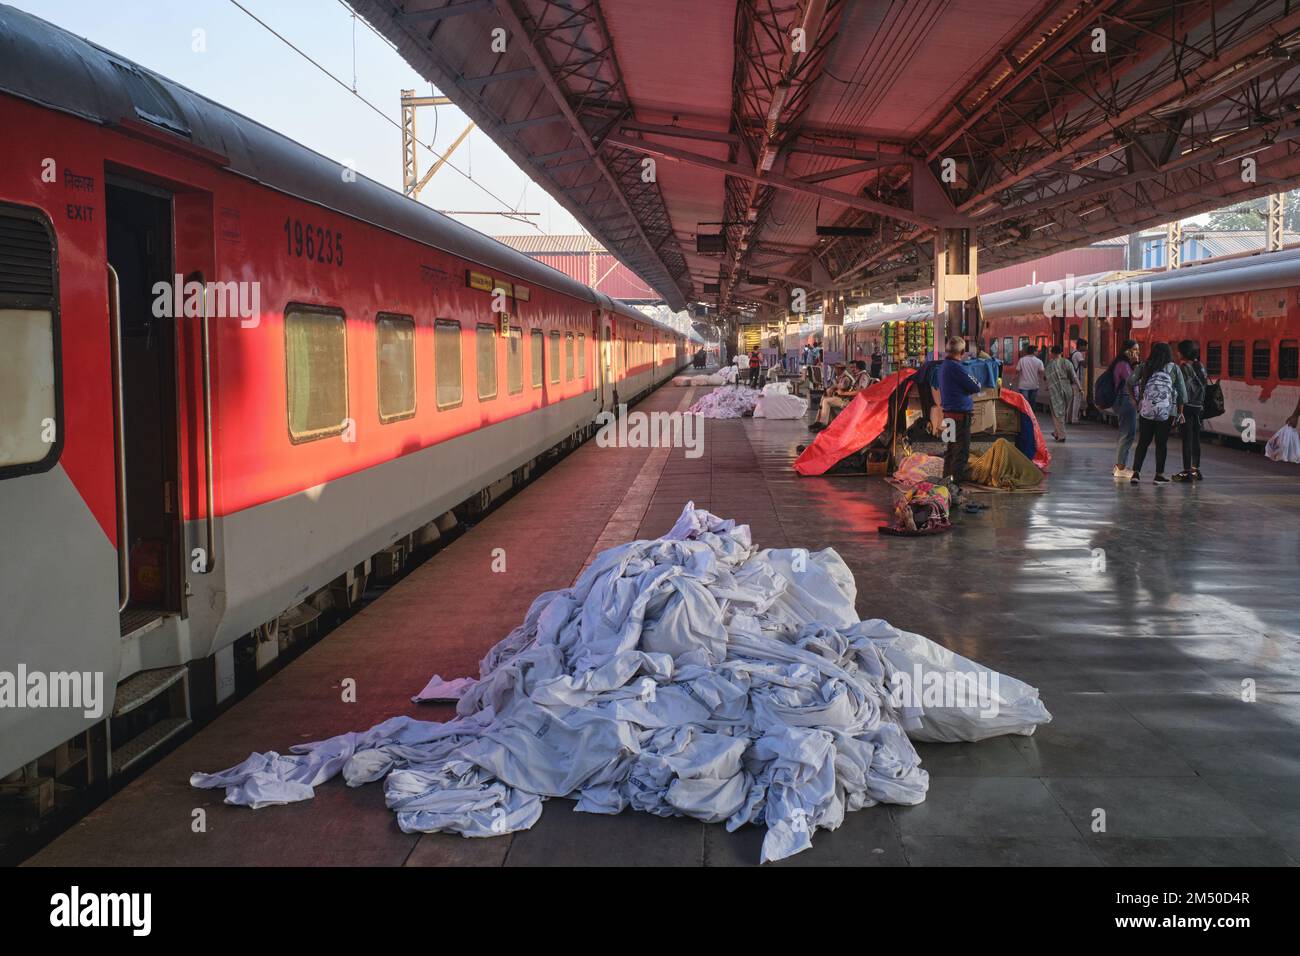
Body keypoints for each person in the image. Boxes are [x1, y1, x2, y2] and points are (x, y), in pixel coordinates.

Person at [1127, 341, 1186, 485]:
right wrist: (1180, 412)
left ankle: (1136, 473)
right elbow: (1183, 394)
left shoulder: (1145, 366)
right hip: (1166, 411)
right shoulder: (1174, 368)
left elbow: (1130, 381)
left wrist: (1134, 400)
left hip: (1146, 409)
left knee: (1143, 442)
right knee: (1161, 443)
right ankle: (1159, 475)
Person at [938, 336, 982, 488]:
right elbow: (976, 386)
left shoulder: (944, 366)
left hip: (948, 416)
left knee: (950, 450)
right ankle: (954, 485)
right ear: (962, 352)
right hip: (960, 418)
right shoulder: (957, 368)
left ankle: (946, 481)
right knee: (960, 452)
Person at [1174, 339, 1207, 482]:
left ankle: (1186, 472)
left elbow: (1180, 390)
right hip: (1199, 406)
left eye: (1179, 350)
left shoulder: (1182, 368)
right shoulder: (1200, 366)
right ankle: (1196, 469)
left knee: (1186, 439)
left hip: (1186, 407)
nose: (1177, 353)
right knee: (1196, 438)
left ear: (1183, 352)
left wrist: (1178, 408)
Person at [1111, 339, 1140, 478]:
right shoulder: (1123, 365)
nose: (1137, 353)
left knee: (1127, 433)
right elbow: (1132, 381)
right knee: (1127, 434)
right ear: (1127, 351)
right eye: (1135, 350)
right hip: (1126, 400)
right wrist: (1135, 364)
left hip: (1125, 400)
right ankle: (1120, 467)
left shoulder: (1121, 363)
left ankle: (1120, 465)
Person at [1045, 344, 1084, 442]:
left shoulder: (1050, 364)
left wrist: (1048, 386)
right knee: (1062, 412)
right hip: (1067, 390)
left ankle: (1062, 435)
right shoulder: (1067, 362)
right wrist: (1080, 388)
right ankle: (1056, 432)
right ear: (1062, 352)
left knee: (1057, 413)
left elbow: (1047, 378)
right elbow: (1074, 377)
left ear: (1052, 353)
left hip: (1055, 390)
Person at [810, 361, 861, 430]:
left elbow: (842, 387)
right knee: (824, 397)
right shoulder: (840, 376)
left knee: (826, 401)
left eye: (836, 369)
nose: (835, 370)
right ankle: (818, 421)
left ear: (840, 369)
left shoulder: (846, 378)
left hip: (846, 399)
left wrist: (833, 388)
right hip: (843, 397)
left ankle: (823, 423)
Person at [1013, 344, 1045, 408]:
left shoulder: (1022, 360)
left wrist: (1014, 378)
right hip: (1034, 385)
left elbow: (1017, 371)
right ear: (1034, 352)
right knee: (1032, 402)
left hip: (1023, 385)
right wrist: (1043, 381)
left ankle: (1024, 416)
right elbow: (1041, 373)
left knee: (1024, 403)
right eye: (1036, 351)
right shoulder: (1039, 361)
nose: (1037, 352)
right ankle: (1031, 416)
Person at [1069, 338, 1088, 422]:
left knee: (1073, 399)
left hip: (1073, 378)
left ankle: (1070, 417)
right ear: (1081, 346)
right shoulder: (1078, 354)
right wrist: (1086, 356)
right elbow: (1084, 365)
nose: (1086, 348)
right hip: (1077, 379)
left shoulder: (1073, 352)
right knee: (1077, 398)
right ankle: (1074, 418)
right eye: (1085, 346)